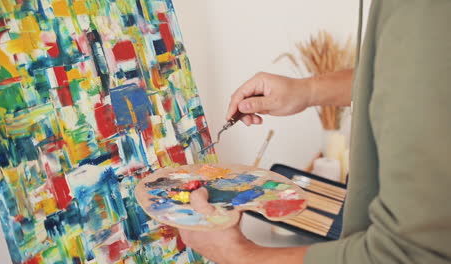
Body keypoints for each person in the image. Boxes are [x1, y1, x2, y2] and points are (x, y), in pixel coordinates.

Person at [178, 0, 451, 263]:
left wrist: (238, 254)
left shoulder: (424, 9)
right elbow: (407, 75)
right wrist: (308, 91)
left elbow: (410, 256)